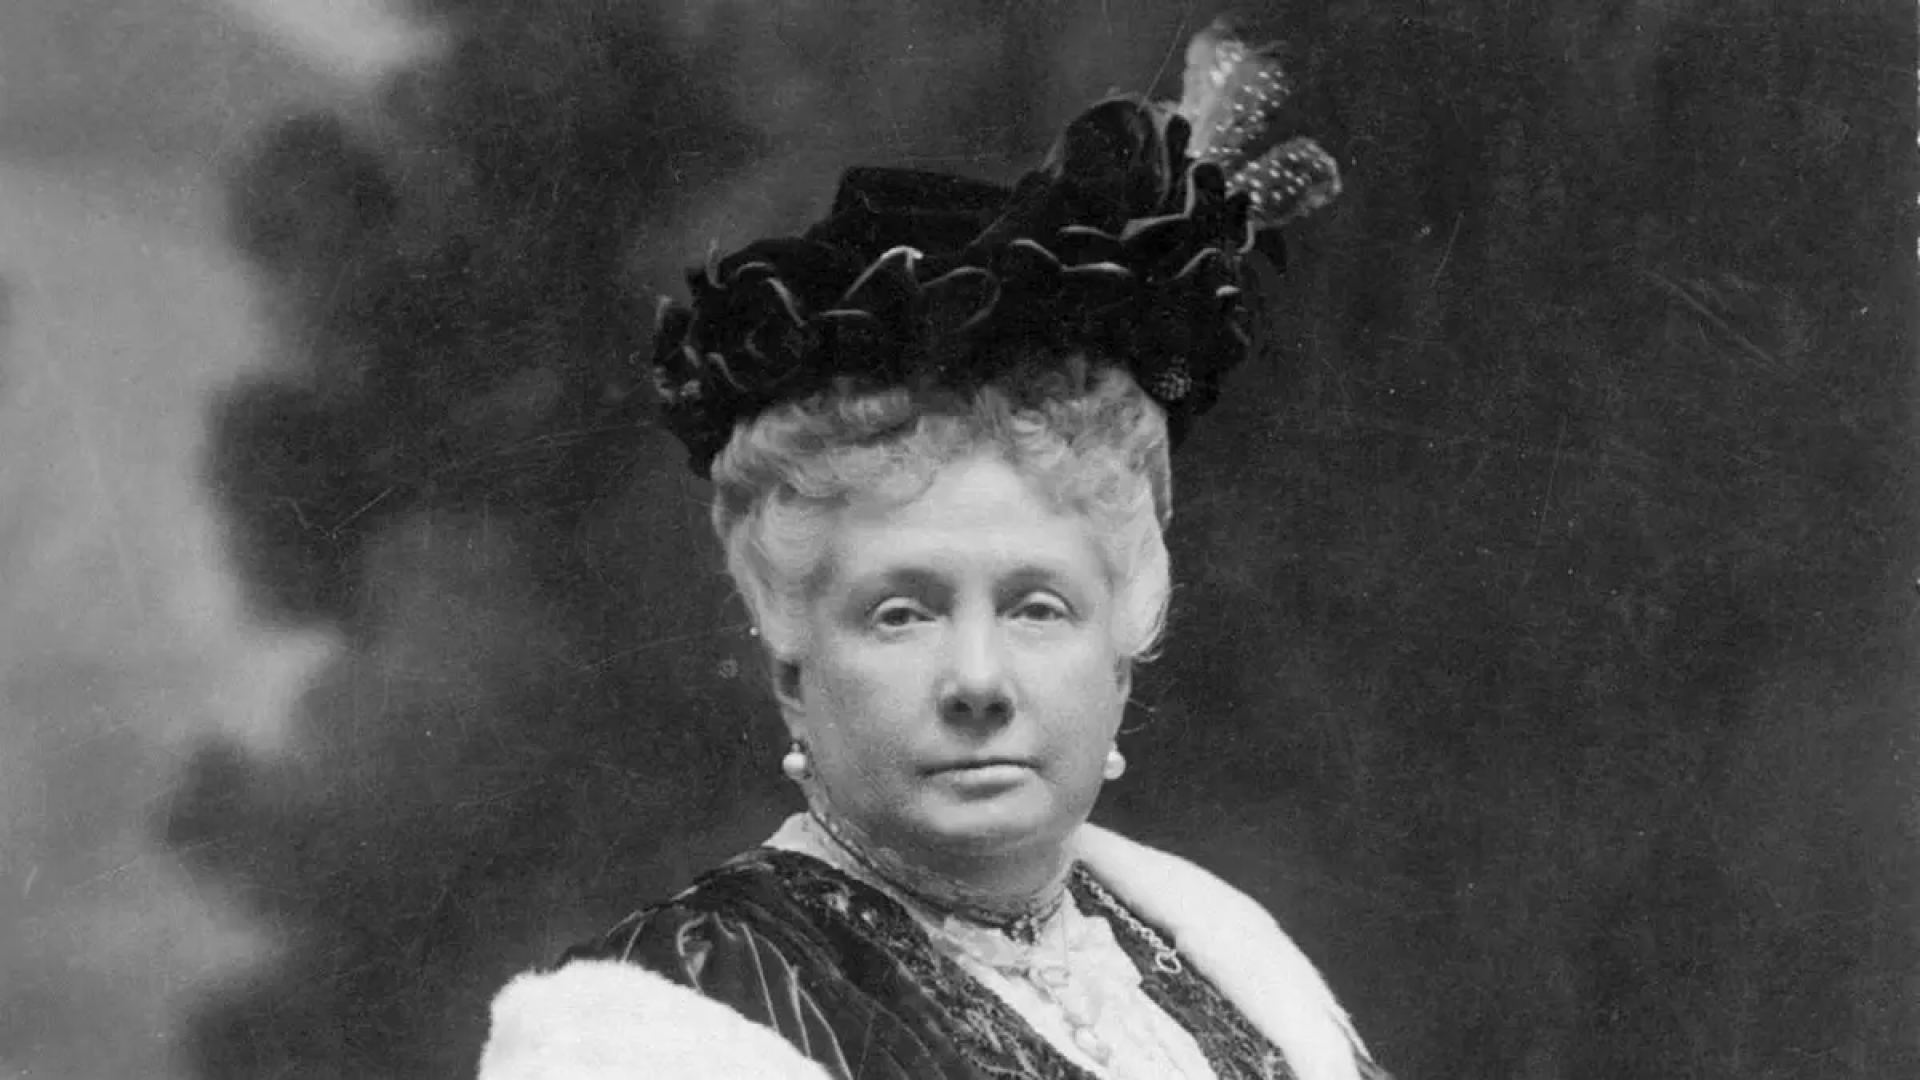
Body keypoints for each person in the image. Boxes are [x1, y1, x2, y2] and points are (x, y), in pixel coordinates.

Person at [478, 20, 1384, 1080]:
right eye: (901, 612)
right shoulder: (677, 1015)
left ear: (1124, 644)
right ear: (791, 660)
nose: (978, 682)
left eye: (1038, 607)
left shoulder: (1219, 953)